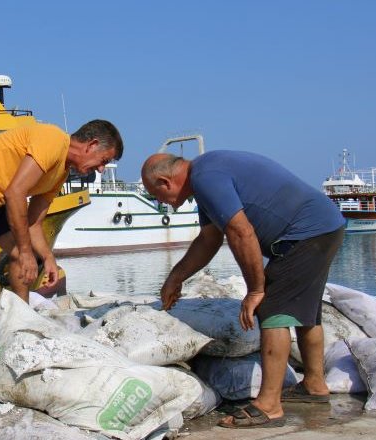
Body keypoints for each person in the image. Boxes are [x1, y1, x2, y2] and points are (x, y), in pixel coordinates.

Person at [141, 150, 345, 429]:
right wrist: (176, 277)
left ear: (166, 182)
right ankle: (314, 384)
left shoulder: (206, 179)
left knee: (273, 308)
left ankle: (269, 406)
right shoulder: (205, 174)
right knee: (305, 310)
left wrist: (255, 290)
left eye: (156, 195)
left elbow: (241, 232)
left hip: (305, 232)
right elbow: (209, 239)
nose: (159, 202)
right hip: (323, 225)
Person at [0, 120, 123, 364]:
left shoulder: (60, 173)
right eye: (104, 161)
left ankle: (20, 326)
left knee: (22, 256)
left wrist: (48, 258)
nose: (101, 169)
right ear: (92, 145)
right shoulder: (53, 140)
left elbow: (33, 222)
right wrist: (24, 250)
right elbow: (15, 193)